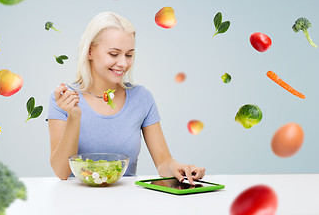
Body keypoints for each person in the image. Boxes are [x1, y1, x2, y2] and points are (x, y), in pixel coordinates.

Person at [47, 11, 205, 185]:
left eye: (129, 55)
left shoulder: (142, 98)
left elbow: (163, 163)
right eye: (114, 54)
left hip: (127, 202)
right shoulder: (64, 99)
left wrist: (179, 168)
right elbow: (61, 172)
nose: (123, 63)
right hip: (75, 204)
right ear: (90, 51)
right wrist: (74, 117)